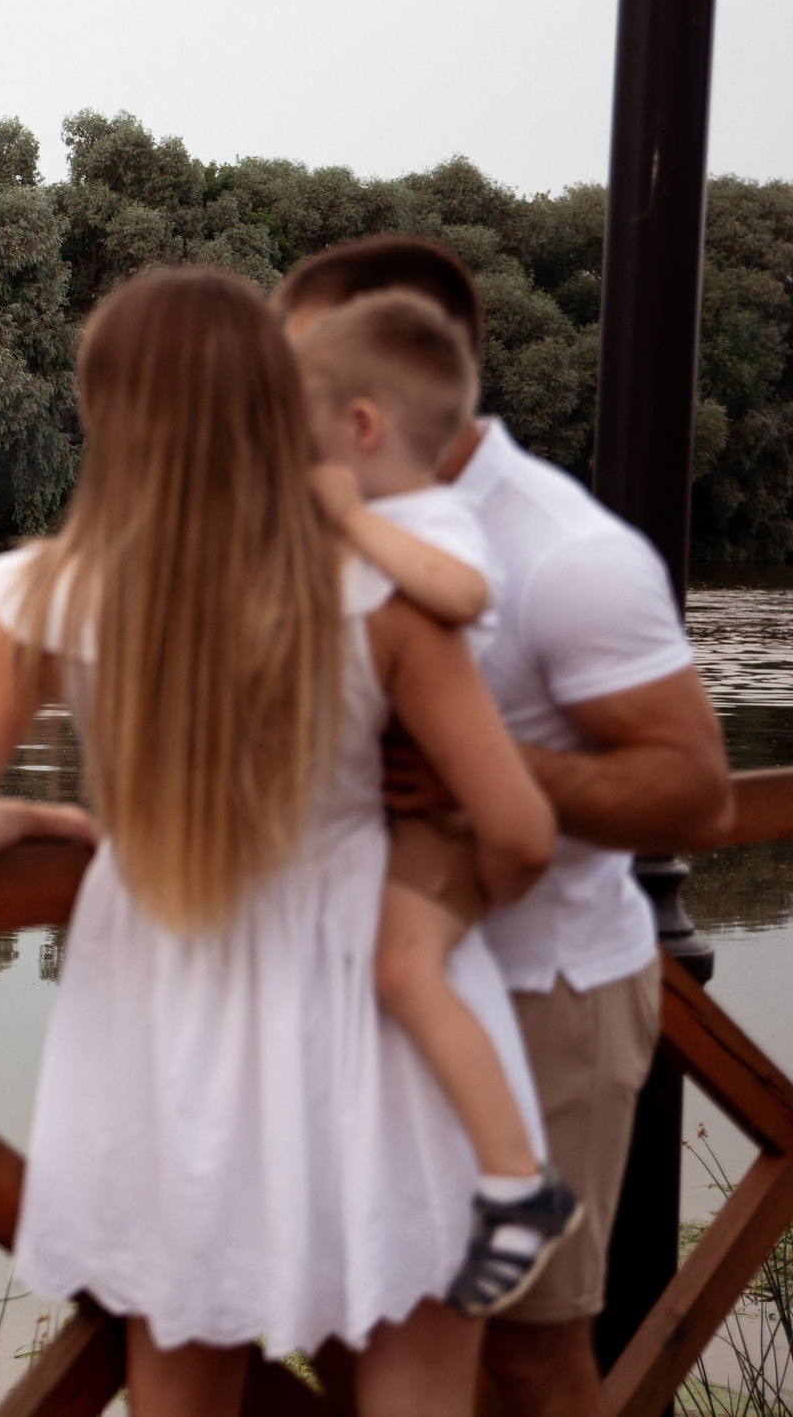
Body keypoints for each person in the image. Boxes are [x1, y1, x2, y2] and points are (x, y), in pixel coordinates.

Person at [0, 268, 557, 1415]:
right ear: (272, 399)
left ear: (104, 412)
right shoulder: (379, 588)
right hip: (373, 999)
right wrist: (452, 907)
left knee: (181, 1379)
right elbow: (517, 831)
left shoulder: (40, 598)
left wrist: (33, 819)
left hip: (166, 1009)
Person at [274, 236, 734, 1417]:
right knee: (359, 1329)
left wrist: (491, 773)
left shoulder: (563, 554)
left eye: (301, 366)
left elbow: (694, 792)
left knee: (524, 1351)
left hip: (542, 990)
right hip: (366, 986)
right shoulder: (340, 521)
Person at [294, 290, 581, 1313]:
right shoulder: (397, 515)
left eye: (306, 426)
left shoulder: (429, 518)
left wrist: (342, 524)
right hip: (409, 818)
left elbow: (457, 596)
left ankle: (518, 1187)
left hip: (439, 828)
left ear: (362, 429)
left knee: (404, 966)